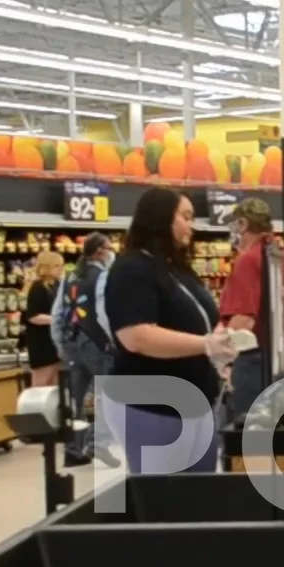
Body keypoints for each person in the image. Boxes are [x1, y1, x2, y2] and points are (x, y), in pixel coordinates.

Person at [103, 187, 236, 474]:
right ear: (161, 217)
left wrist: (220, 348)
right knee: (167, 499)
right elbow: (136, 336)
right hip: (154, 405)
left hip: (197, 403)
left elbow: (199, 319)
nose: (192, 225)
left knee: (197, 497)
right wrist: (205, 345)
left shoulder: (175, 269)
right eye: (186, 217)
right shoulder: (131, 269)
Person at [217, 198, 284, 417]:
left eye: (233, 226)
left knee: (250, 434)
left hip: (257, 362)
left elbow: (244, 321)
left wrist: (221, 359)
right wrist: (280, 329)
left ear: (243, 224)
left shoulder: (248, 260)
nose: (232, 233)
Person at [52, 233, 118, 468]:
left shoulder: (70, 276)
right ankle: (97, 444)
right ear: (100, 251)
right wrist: (112, 341)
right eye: (110, 248)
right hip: (95, 342)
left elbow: (58, 312)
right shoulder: (102, 276)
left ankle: (72, 450)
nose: (113, 252)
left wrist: (59, 343)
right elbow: (102, 312)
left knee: (77, 399)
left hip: (71, 342)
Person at [20, 250, 63, 388]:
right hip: (42, 344)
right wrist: (56, 319)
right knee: (41, 382)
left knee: (54, 384)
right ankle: (36, 409)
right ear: (47, 267)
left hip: (54, 342)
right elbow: (33, 316)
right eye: (57, 266)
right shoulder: (38, 287)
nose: (61, 269)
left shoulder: (56, 286)